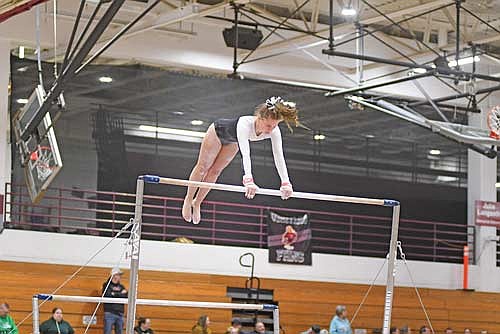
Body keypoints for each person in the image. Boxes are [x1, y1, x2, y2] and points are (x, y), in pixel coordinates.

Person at [182, 96, 301, 224]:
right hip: (217, 132)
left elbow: (279, 156)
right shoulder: (245, 124)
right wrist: (248, 179)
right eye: (268, 126)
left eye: (274, 126)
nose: (270, 130)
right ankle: (188, 199)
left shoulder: (274, 131)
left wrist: (285, 182)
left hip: (232, 141)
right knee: (203, 167)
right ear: (260, 118)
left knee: (215, 171)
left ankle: (197, 202)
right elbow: (246, 154)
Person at [102, 267, 128, 334]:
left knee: (119, 332)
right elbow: (107, 295)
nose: (120, 276)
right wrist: (120, 294)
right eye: (119, 275)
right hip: (109, 312)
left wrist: (114, 294)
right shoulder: (106, 285)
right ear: (114, 275)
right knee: (107, 332)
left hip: (120, 313)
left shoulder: (122, 286)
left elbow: (126, 296)